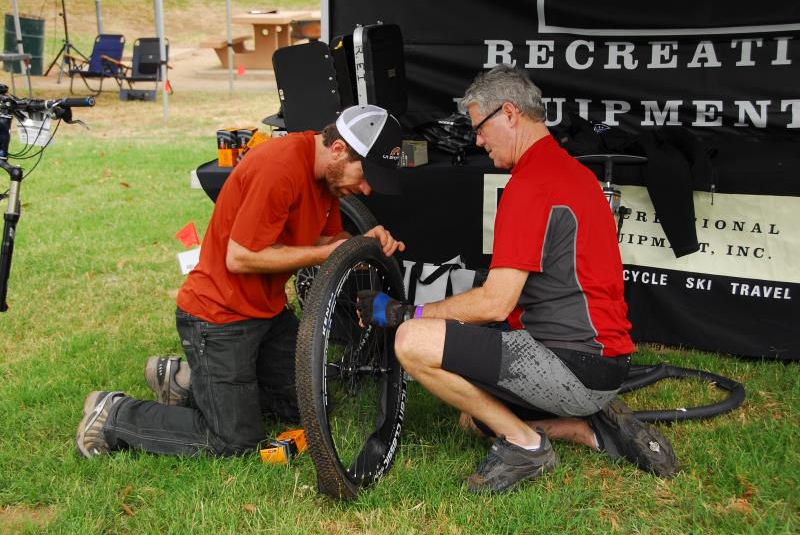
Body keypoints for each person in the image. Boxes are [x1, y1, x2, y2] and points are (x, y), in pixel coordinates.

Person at [357, 65, 679, 494]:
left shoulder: (532, 184)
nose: (477, 140)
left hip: (572, 360)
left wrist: (406, 313)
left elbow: (495, 303)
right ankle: (587, 429)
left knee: (412, 342)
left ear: (509, 113)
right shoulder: (569, 170)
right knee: (474, 417)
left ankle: (527, 445)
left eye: (480, 127)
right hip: (598, 358)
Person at [76, 104, 406, 458]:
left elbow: (326, 240)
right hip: (218, 316)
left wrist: (358, 244)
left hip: (268, 313)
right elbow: (242, 257)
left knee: (313, 407)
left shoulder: (327, 177)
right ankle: (114, 415)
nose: (367, 189)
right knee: (235, 443)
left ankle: (185, 382)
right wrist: (327, 255)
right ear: (339, 149)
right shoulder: (279, 169)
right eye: (365, 174)